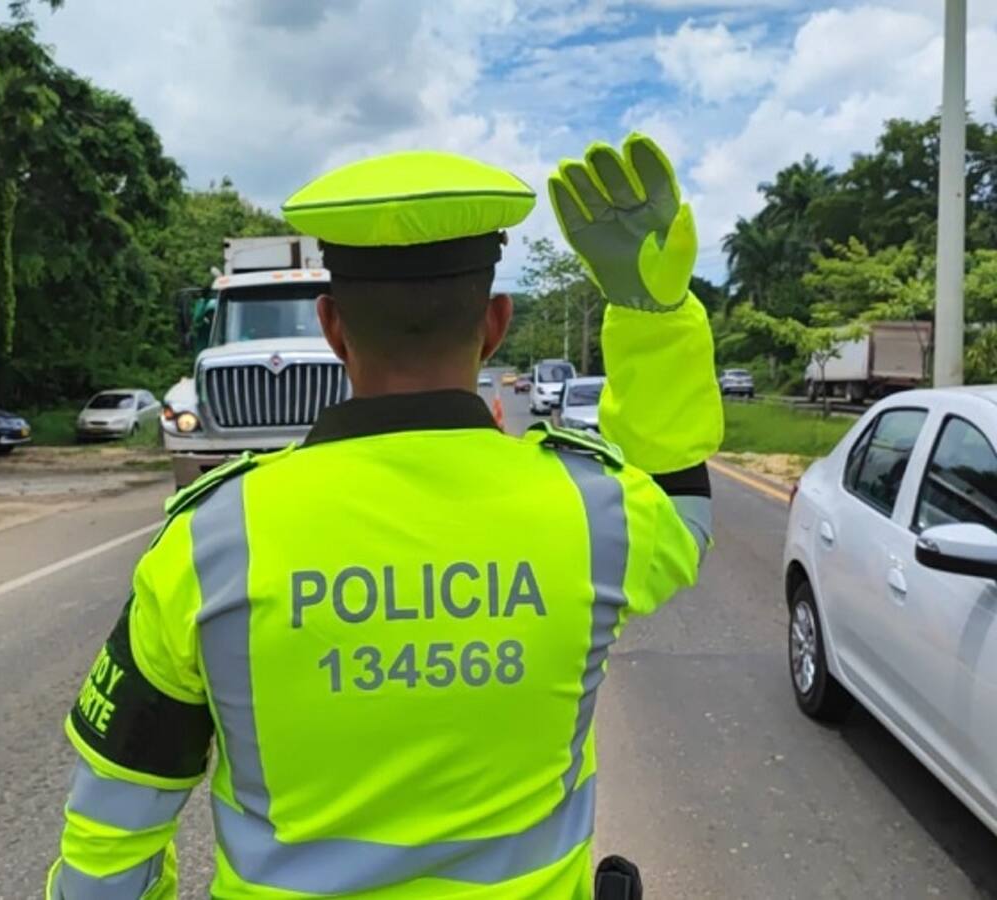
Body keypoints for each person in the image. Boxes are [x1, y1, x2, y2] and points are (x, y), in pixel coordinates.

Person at [46, 134, 722, 899]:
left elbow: (112, 836)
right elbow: (682, 513)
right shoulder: (593, 511)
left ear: (333, 327)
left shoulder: (208, 542)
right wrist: (652, 319)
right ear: (495, 323)